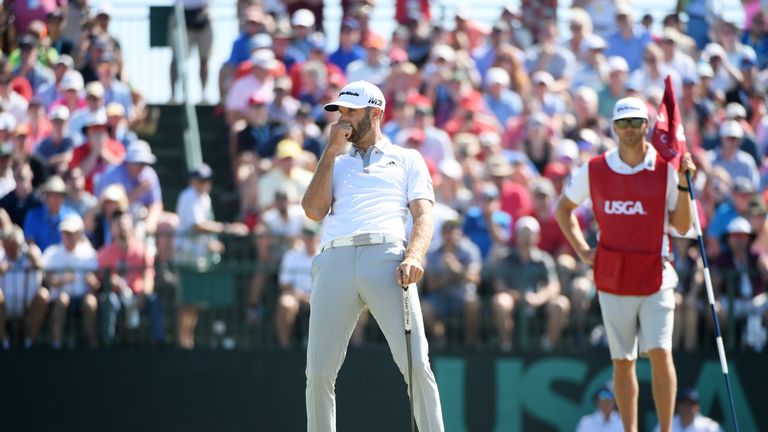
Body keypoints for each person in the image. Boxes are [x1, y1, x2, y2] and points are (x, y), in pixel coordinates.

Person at [301, 81, 444, 431]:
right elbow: (313, 210)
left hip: (388, 257)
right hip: (335, 256)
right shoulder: (334, 158)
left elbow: (423, 215)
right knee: (318, 372)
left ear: (375, 113)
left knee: (416, 364)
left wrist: (414, 256)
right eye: (340, 112)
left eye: (350, 111)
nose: (342, 119)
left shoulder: (408, 158)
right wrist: (329, 154)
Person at [556, 97, 697, 432]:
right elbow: (564, 209)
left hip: (657, 272)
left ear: (647, 125)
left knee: (661, 353)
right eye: (623, 123)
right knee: (623, 361)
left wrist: (683, 182)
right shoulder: (595, 168)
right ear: (614, 127)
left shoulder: (666, 167)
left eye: (636, 122)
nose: (630, 130)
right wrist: (582, 250)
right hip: (613, 275)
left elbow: (680, 225)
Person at [492, 216, 570, 352]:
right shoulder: (506, 258)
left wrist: (538, 298)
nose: (527, 237)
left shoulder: (544, 259)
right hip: (514, 301)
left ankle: (548, 346)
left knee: (560, 303)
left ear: (537, 237)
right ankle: (506, 346)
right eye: (524, 232)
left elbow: (554, 286)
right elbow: (499, 283)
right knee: (500, 302)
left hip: (540, 303)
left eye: (531, 233)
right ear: (517, 235)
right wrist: (516, 295)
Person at [97, 210, 164, 345]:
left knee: (154, 300)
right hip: (117, 295)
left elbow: (148, 276)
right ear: (112, 228)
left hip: (138, 295)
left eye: (125, 224)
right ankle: (107, 343)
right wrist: (114, 282)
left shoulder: (143, 251)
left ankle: (158, 344)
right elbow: (101, 279)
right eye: (118, 224)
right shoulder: (104, 253)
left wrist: (144, 295)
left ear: (131, 226)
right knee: (108, 301)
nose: (122, 227)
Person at [41, 215, 99, 348]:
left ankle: (93, 343)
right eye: (65, 233)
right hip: (58, 300)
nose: (68, 237)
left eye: (72, 233)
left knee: (90, 302)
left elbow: (95, 283)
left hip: (82, 298)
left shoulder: (89, 254)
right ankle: (57, 343)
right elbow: (46, 280)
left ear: (79, 234)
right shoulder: (52, 253)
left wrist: (92, 282)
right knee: (63, 299)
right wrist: (64, 279)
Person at [422, 219, 482, 347]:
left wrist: (456, 268)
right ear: (442, 234)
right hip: (440, 297)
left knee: (472, 302)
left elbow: (474, 278)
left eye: (453, 232)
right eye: (447, 233)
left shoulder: (470, 250)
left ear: (460, 233)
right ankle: (441, 341)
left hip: (462, 296)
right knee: (424, 308)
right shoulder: (432, 253)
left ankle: (470, 343)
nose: (450, 236)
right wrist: (447, 277)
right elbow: (432, 286)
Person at [0, 224, 45, 350]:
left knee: (43, 295)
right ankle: (4, 341)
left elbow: (43, 269)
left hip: (28, 304)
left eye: (12, 244)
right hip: (5, 305)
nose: (8, 248)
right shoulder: (1, 255)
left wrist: (34, 259)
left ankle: (29, 341)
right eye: (6, 244)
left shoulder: (32, 252)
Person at [275, 223, 319, 349]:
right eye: (305, 236)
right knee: (286, 304)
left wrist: (313, 297)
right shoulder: (291, 255)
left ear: (318, 237)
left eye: (311, 235)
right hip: (295, 296)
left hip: (319, 297)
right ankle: (285, 348)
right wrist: (302, 296)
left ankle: (328, 349)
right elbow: (284, 283)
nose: (308, 239)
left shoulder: (324, 255)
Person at [23, 175, 77, 252]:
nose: (57, 198)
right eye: (53, 194)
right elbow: (29, 243)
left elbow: (77, 242)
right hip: (39, 260)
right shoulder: (33, 215)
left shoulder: (72, 216)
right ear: (46, 196)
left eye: (60, 195)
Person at [653, 388, 722, 432]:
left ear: (697, 407)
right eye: (684, 403)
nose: (687, 407)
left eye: (691, 404)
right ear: (678, 405)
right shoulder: (666, 424)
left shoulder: (710, 427)